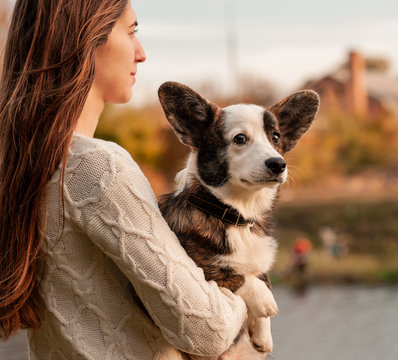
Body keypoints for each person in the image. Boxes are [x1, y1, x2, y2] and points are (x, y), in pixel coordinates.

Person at [0, 1, 247, 359]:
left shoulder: (21, 165)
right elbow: (207, 329)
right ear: (88, 38)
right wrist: (247, 285)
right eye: (131, 32)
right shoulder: (99, 168)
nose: (141, 53)